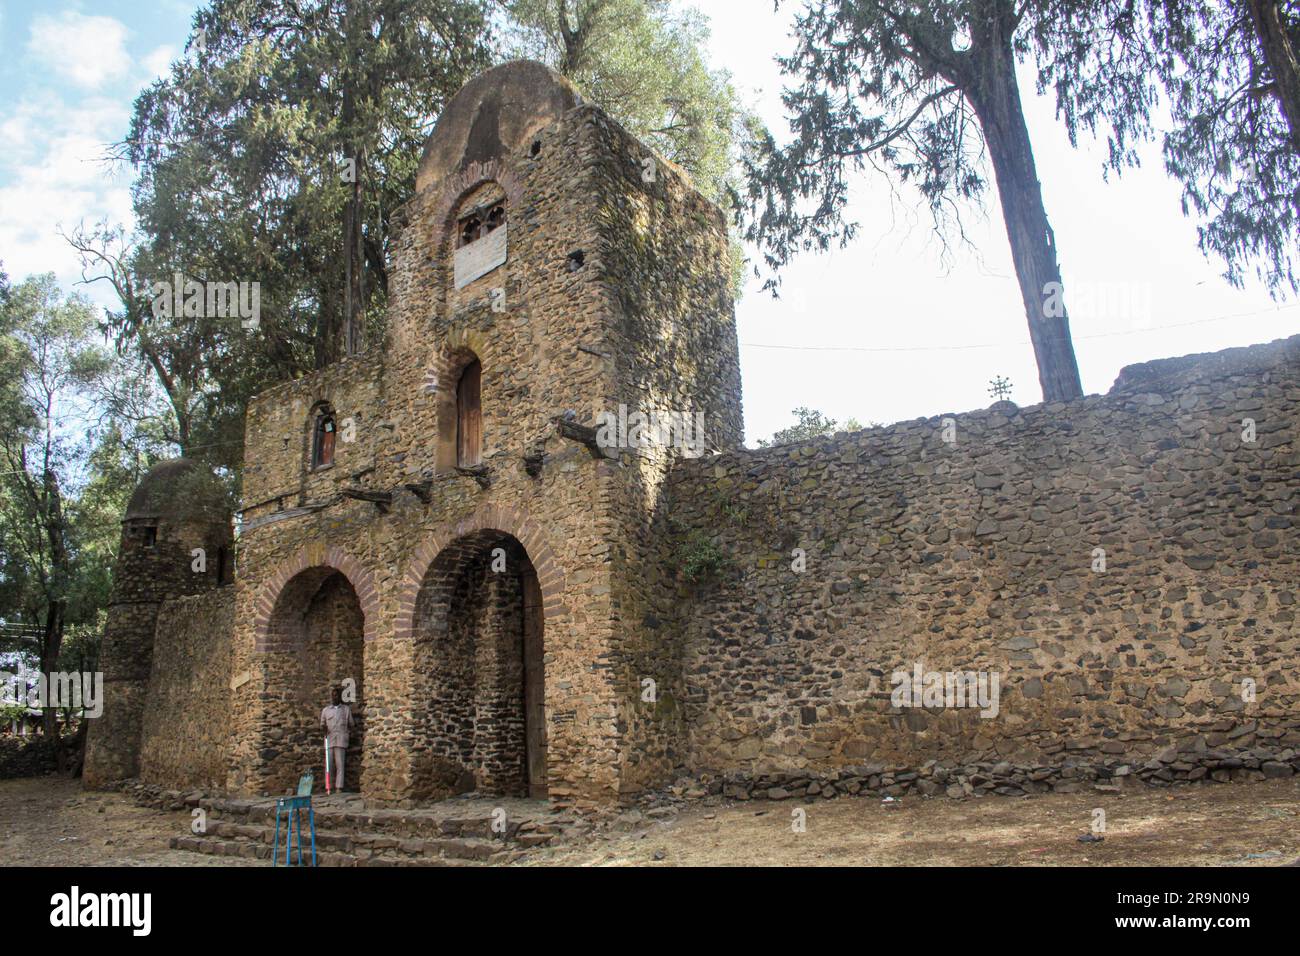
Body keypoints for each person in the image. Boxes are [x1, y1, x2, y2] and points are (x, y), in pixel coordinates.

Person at [320, 686, 353, 792]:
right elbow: (322, 724)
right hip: (329, 739)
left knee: (340, 764)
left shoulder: (346, 710)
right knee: (329, 765)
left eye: (337, 695)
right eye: (333, 695)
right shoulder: (326, 710)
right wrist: (323, 728)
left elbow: (351, 723)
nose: (335, 697)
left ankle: (339, 787)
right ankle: (328, 786)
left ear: (340, 697)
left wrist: (348, 731)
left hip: (341, 739)